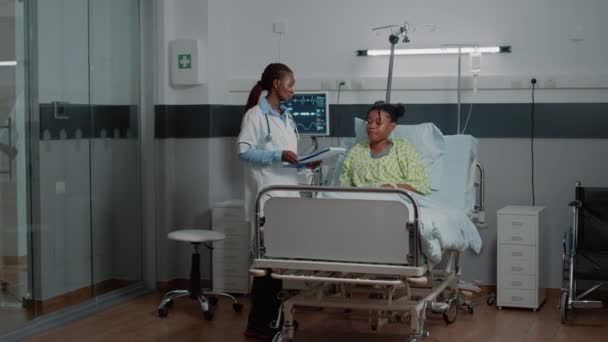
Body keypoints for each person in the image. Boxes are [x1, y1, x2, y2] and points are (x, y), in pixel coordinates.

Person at [237, 63, 316, 340]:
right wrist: (278, 156)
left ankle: (275, 320)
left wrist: (304, 164)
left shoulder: (286, 118)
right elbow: (244, 152)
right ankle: (259, 326)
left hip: (287, 198)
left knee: (278, 264)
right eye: (290, 84)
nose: (292, 90)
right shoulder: (256, 116)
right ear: (275, 84)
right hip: (268, 198)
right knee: (265, 266)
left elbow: (287, 156)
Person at [340, 102, 431, 195]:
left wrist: (393, 187)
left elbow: (420, 185)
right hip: (360, 203)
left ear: (392, 126)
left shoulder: (404, 149)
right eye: (369, 122)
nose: (371, 126)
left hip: (395, 202)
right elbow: (343, 187)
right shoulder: (356, 151)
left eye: (378, 123)